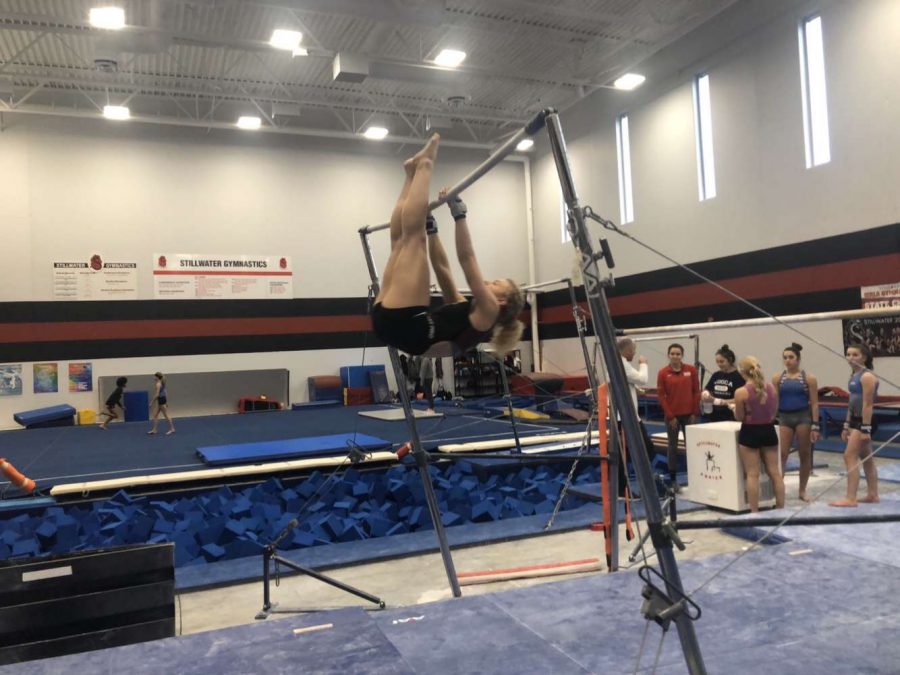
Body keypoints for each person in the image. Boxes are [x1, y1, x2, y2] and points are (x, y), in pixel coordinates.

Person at [370, 133, 524, 358]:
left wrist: (459, 214)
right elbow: (443, 270)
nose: (489, 281)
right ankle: (411, 174)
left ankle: (425, 164)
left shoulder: (490, 311)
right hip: (394, 325)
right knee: (402, 242)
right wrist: (432, 230)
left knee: (413, 239)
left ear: (502, 300)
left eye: (497, 283)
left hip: (406, 325)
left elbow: (467, 259)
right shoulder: (466, 313)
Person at [830, 343, 879, 507]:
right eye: (848, 354)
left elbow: (868, 404)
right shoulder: (854, 375)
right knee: (867, 458)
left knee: (849, 456)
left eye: (855, 355)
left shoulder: (867, 377)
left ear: (864, 357)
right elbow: (852, 402)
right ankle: (873, 494)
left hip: (865, 421)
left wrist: (865, 428)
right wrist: (846, 425)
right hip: (855, 420)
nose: (850, 358)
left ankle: (851, 498)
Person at [733, 356, 785, 512]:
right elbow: (773, 413)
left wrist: (735, 410)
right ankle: (781, 508)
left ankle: (754, 512)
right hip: (768, 430)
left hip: (750, 431)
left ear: (742, 373)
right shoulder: (771, 388)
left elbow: (740, 417)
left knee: (752, 474)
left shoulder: (741, 392)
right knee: (775, 472)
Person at [773, 342, 820, 502]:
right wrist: (771, 419)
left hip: (803, 418)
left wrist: (815, 424)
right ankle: (779, 489)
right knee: (782, 455)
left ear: (798, 359)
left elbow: (814, 403)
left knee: (804, 454)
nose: (787, 360)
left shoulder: (809, 378)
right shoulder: (778, 378)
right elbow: (775, 401)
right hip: (785, 418)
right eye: (785, 358)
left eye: (791, 357)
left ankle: (802, 491)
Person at [656, 343, 700, 490]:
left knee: (692, 447)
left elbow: (696, 391)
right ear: (668, 355)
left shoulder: (691, 370)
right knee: (672, 447)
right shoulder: (663, 373)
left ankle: (696, 477)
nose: (675, 356)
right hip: (672, 416)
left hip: (690, 416)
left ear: (682, 355)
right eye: (672, 353)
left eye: (678, 354)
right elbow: (661, 396)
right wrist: (670, 416)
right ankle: (673, 479)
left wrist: (694, 412)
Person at [701, 344, 743, 421]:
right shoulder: (716, 375)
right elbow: (707, 389)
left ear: (730, 360)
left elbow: (740, 399)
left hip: (731, 415)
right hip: (715, 415)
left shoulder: (738, 376)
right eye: (717, 362)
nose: (719, 364)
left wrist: (720, 402)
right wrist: (706, 394)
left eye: (722, 361)